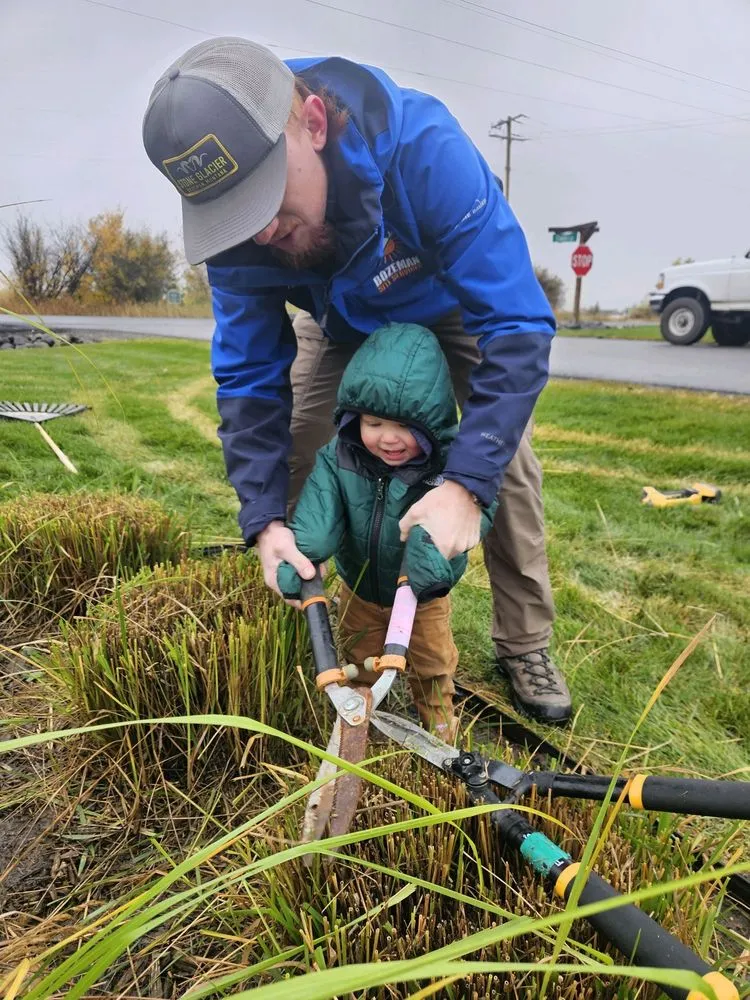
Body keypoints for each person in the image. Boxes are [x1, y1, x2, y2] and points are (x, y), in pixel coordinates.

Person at [142, 36, 572, 724]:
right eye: (236, 217)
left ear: (313, 124)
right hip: (342, 323)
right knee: (297, 447)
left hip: (449, 308)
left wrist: (464, 485)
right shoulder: (244, 239)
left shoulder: (423, 148)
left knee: (504, 468)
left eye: (267, 200)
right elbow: (250, 374)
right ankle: (309, 603)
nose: (263, 234)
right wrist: (262, 520)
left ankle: (525, 642)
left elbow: (517, 326)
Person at [276, 322, 495, 740]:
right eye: (374, 422)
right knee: (359, 662)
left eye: (405, 426)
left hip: (423, 598)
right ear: (352, 417)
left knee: (432, 665)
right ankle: (365, 726)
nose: (388, 439)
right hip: (359, 592)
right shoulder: (337, 458)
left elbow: (479, 510)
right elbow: (318, 515)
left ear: (432, 422)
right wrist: (303, 557)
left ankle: (440, 732)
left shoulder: (451, 473)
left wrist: (430, 557)